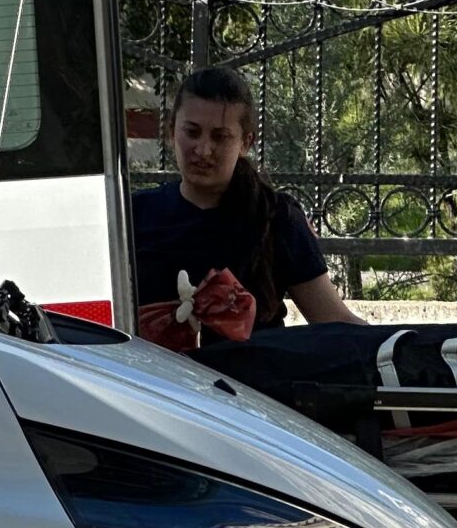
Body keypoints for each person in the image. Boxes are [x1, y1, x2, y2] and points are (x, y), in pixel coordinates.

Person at [132, 64, 363, 337]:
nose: (203, 150)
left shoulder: (276, 217)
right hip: (154, 378)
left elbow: (334, 322)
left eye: (220, 137)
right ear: (172, 132)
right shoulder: (134, 214)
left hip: (253, 379)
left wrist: (408, 351)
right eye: (192, 132)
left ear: (246, 142)